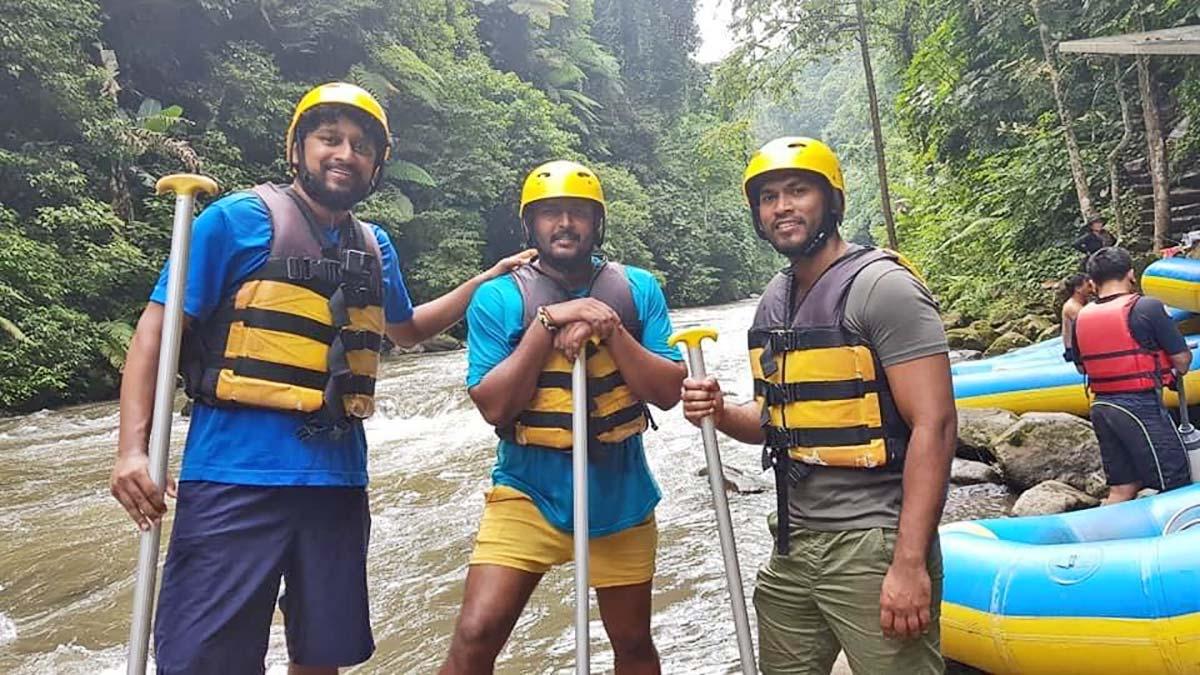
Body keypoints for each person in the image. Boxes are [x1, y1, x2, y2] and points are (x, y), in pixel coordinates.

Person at [109, 82, 533, 674]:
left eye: (361, 146)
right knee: (206, 662)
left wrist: (486, 279)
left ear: (376, 165)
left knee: (323, 657)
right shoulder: (234, 220)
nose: (344, 154)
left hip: (337, 484)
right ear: (298, 149)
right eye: (329, 139)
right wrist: (132, 450)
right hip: (235, 478)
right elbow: (156, 331)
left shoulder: (373, 244)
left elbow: (405, 330)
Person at [680, 137, 957, 674]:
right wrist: (718, 410)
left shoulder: (884, 287)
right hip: (791, 543)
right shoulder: (772, 302)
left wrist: (908, 563)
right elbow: (774, 422)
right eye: (767, 197)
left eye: (798, 191)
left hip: (873, 545)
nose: (781, 206)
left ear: (832, 202)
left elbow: (937, 425)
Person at [439, 160, 686, 675]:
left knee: (634, 643)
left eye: (578, 213)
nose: (565, 224)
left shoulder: (638, 289)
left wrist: (609, 326)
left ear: (597, 224)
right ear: (531, 226)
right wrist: (548, 323)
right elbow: (495, 407)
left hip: (620, 492)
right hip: (526, 492)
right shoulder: (499, 298)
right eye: (551, 214)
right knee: (475, 634)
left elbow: (667, 393)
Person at [1072, 246, 1193, 503]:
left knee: (1122, 487)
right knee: (1175, 479)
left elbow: (1082, 367)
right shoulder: (1147, 307)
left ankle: (1106, 539)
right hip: (1139, 406)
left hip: (1102, 407)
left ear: (1093, 283)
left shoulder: (1082, 316)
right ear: (1131, 275)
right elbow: (1182, 362)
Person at [1059, 273, 1091, 362]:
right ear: (1078, 289)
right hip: (1073, 353)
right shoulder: (1072, 306)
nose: (1090, 287)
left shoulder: (1083, 303)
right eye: (1088, 285)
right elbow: (1092, 324)